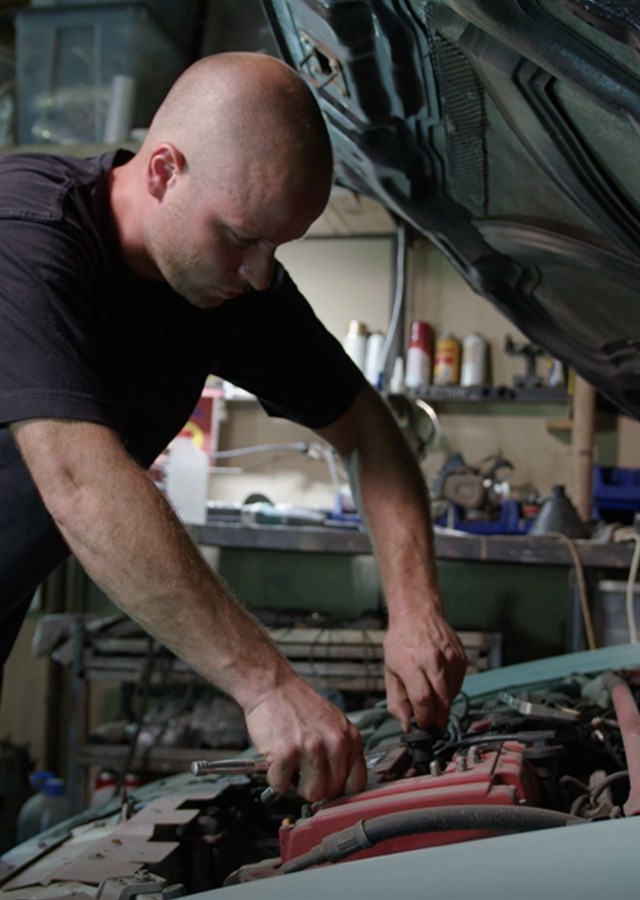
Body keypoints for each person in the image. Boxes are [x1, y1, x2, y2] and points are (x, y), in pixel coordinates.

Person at [0, 51, 467, 803]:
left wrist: (415, 610)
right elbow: (80, 483)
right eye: (244, 237)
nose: (259, 274)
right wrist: (266, 685)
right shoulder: (24, 233)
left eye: (277, 248)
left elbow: (370, 434)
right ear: (162, 172)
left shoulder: (227, 286)